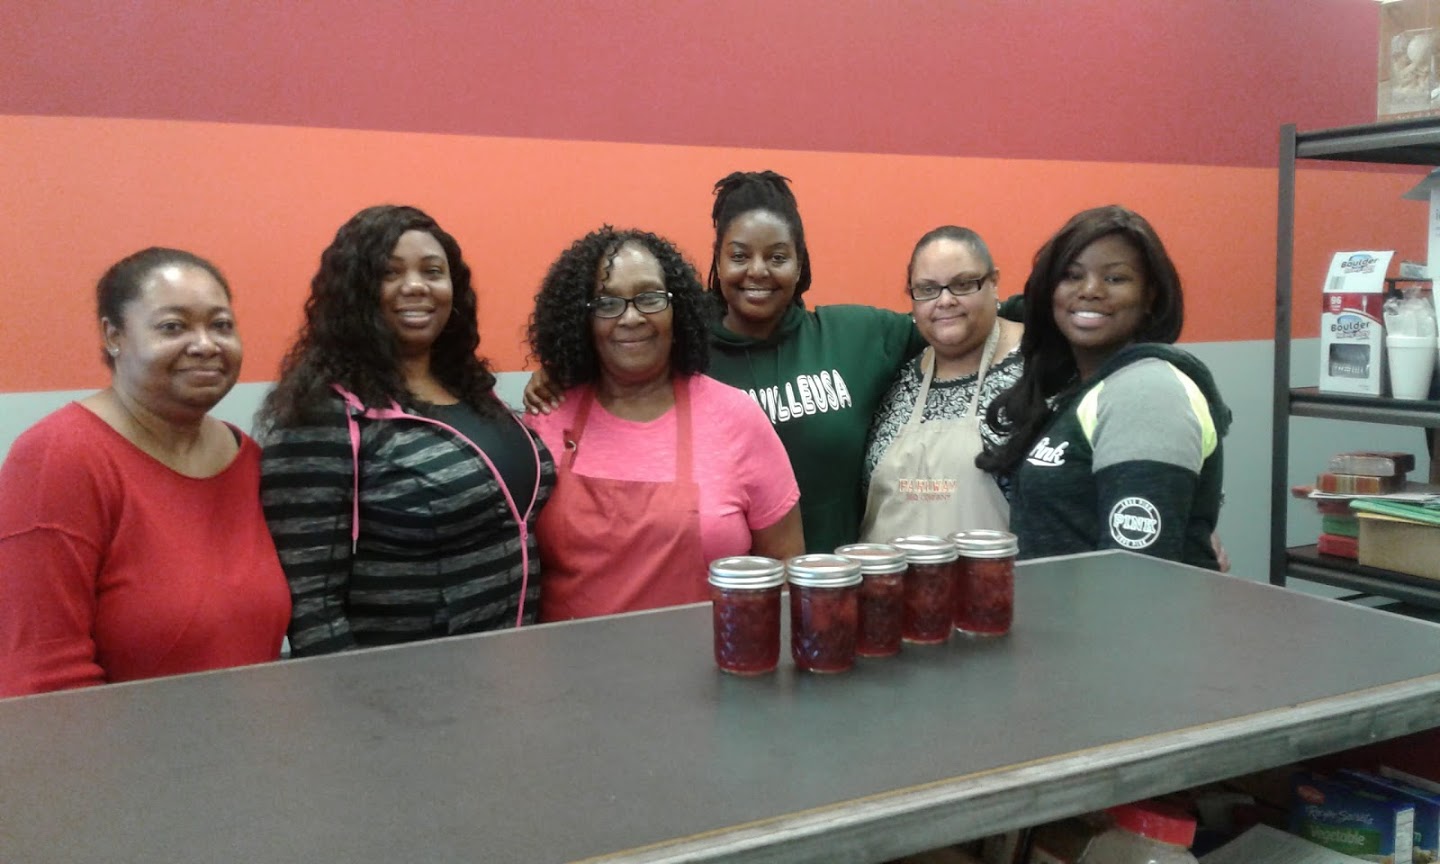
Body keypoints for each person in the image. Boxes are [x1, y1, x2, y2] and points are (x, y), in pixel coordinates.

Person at [258, 205, 553, 656]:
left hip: (516, 673)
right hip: (407, 699)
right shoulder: (322, 416)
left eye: (433, 271)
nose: (415, 286)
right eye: (388, 273)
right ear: (353, 291)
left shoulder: (474, 389)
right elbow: (312, 605)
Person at [0, 248, 290, 696]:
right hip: (125, 761)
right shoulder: (59, 458)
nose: (205, 345)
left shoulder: (246, 456)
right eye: (173, 326)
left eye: (221, 325)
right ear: (113, 335)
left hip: (249, 753)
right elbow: (42, 676)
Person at [526, 227, 802, 620]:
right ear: (581, 319)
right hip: (570, 675)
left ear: (679, 310)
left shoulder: (737, 417)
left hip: (714, 671)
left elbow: (786, 570)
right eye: (607, 303)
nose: (631, 317)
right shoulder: (547, 417)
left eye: (650, 298)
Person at [978, 206, 1231, 569]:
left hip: (1107, 625)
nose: (1090, 291)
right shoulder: (1086, 389)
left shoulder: (1146, 392)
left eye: (1115, 279)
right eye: (1071, 276)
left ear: (1150, 297)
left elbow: (1135, 577)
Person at [860, 226, 1023, 541]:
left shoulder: (1038, 372)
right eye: (927, 289)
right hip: (887, 587)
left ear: (994, 283)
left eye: (963, 284)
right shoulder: (897, 379)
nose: (945, 300)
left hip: (997, 586)